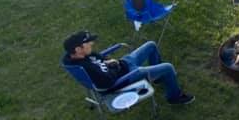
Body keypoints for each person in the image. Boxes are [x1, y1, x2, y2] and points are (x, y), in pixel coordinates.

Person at [62, 30, 194, 105]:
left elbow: (101, 58)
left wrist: (110, 62)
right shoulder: (85, 67)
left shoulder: (83, 55)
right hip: (124, 79)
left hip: (123, 65)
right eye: (88, 43)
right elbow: (107, 83)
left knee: (151, 45)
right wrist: (114, 66)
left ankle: (158, 79)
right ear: (78, 49)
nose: (92, 44)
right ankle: (174, 97)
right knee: (168, 67)